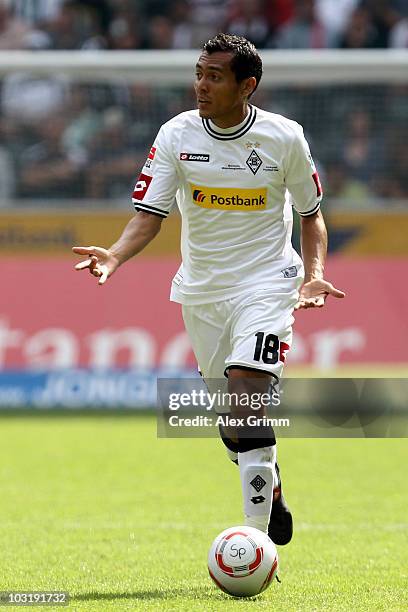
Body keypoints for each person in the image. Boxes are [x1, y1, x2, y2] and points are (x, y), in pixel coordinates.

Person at [73, 33, 345, 545]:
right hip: (202, 293)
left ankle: (255, 540)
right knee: (232, 423)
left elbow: (312, 217)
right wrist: (115, 254)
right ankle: (272, 485)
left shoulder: (284, 137)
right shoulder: (176, 135)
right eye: (199, 73)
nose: (201, 85)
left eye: (214, 77)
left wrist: (313, 273)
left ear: (248, 86)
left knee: (247, 395)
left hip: (268, 283)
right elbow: (148, 217)